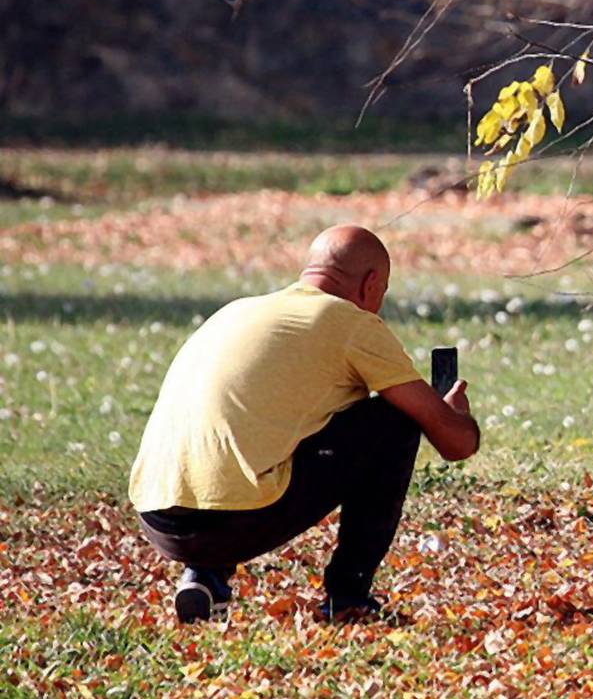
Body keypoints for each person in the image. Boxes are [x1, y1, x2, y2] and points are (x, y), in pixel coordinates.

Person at [129, 225, 480, 624]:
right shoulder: (348, 322)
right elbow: (456, 444)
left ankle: (205, 577)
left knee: (255, 438)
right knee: (394, 420)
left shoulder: (238, 310)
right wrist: (452, 412)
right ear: (371, 284)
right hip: (230, 520)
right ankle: (349, 595)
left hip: (156, 515)